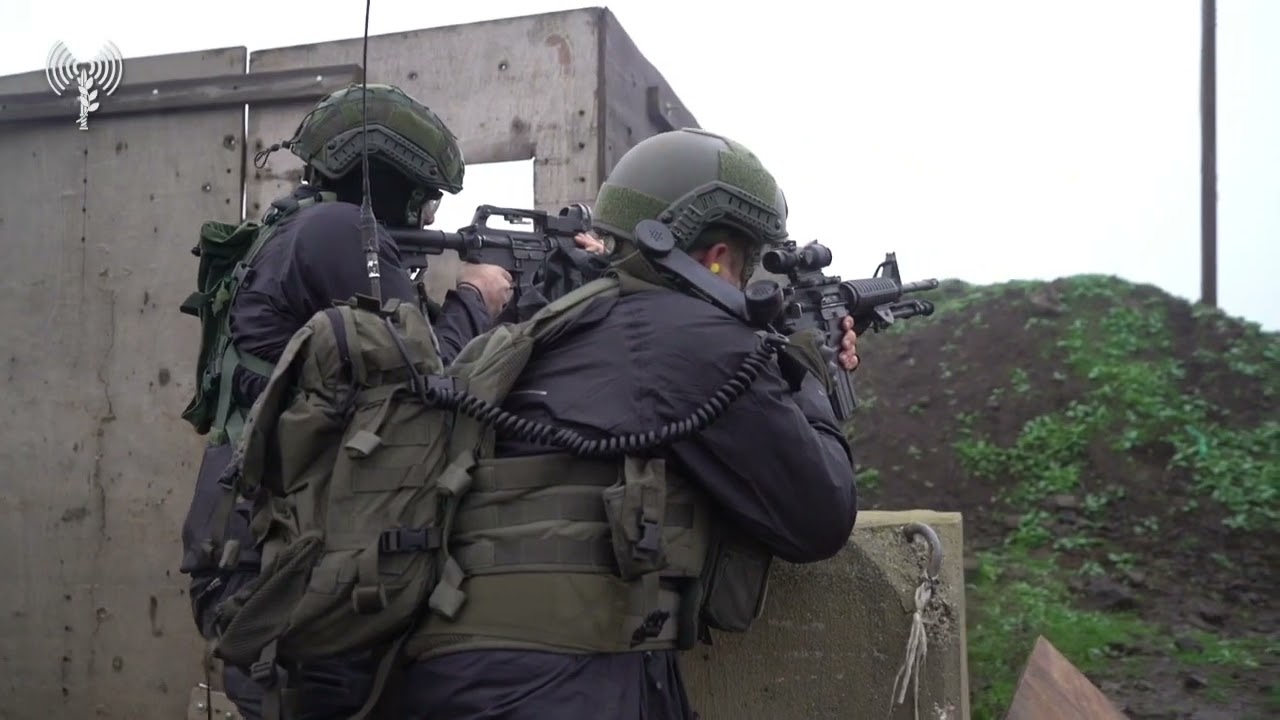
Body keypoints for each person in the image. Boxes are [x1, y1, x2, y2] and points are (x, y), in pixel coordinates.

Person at [397, 127, 861, 719]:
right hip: (556, 687)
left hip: (466, 674)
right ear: (718, 258)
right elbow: (820, 515)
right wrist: (812, 374)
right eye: (748, 265)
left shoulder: (560, 320)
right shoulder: (695, 340)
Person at [177, 84, 516, 720]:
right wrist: (476, 300)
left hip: (258, 548)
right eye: (423, 198)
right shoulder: (338, 232)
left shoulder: (294, 231)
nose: (428, 218)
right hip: (281, 564)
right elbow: (426, 386)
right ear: (387, 182)